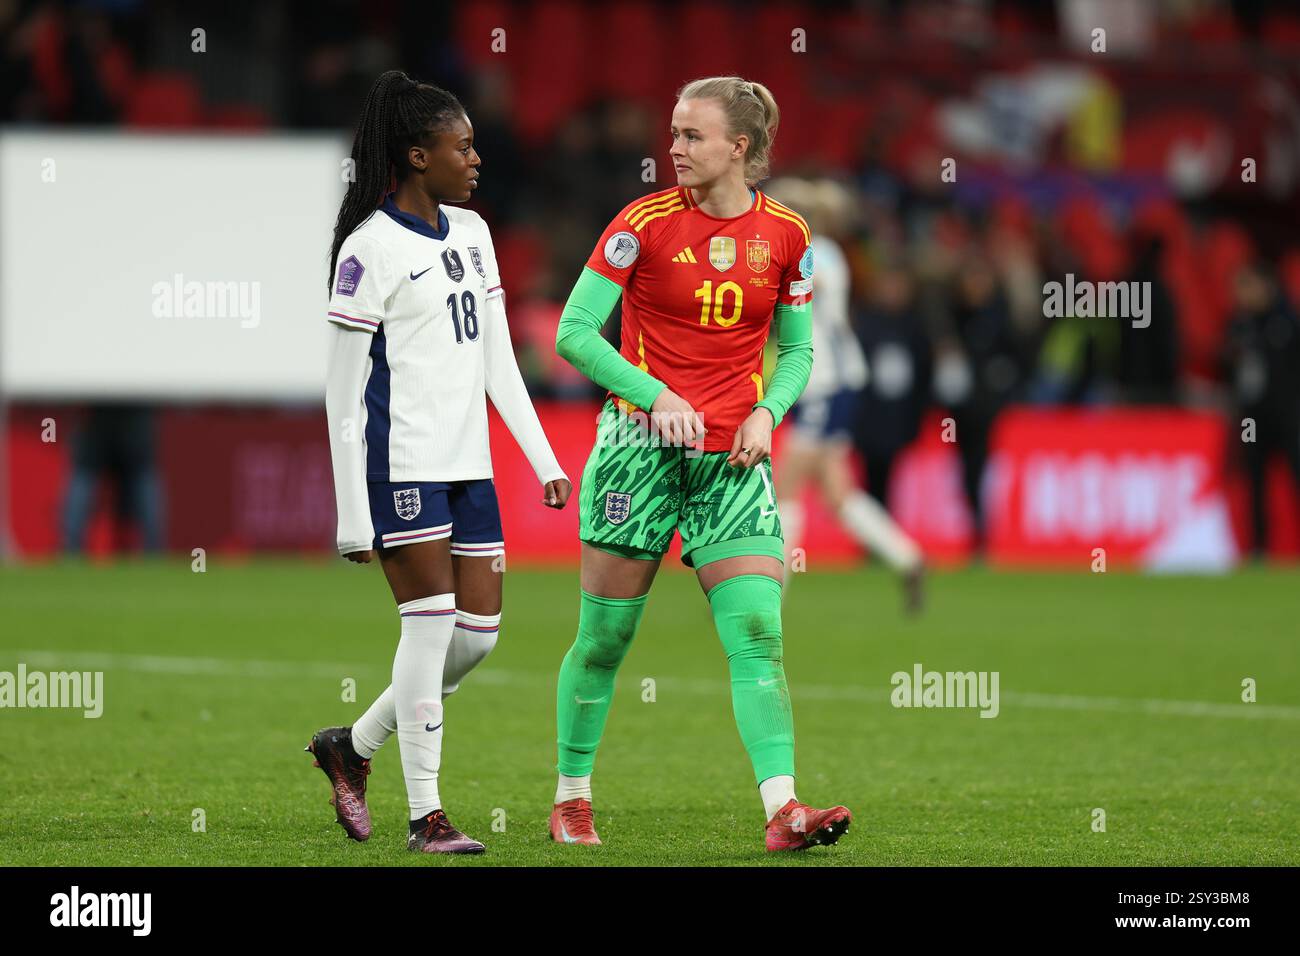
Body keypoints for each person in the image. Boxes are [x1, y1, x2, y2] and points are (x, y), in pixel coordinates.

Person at [549, 76, 851, 852]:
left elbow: (800, 349)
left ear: (738, 148)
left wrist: (766, 411)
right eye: (674, 133)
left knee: (757, 630)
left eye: (691, 136)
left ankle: (784, 809)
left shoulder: (786, 235)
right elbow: (576, 332)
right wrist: (653, 397)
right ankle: (572, 795)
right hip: (637, 456)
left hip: (732, 462)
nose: (674, 148)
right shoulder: (641, 223)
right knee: (606, 640)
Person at [306, 70, 571, 854]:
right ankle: (427, 817)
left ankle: (349, 748)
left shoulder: (474, 233)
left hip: (471, 468)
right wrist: (354, 512)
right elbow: (341, 396)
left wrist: (544, 456)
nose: (476, 157)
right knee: (426, 634)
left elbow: (498, 364)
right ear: (419, 156)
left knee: (477, 638)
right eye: (463, 146)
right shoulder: (369, 249)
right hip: (404, 468)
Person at [768, 178, 925, 612]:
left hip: (824, 380)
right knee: (837, 492)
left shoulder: (807, 252)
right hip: (835, 376)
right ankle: (907, 558)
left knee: (788, 485)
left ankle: (770, 590)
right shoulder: (830, 252)